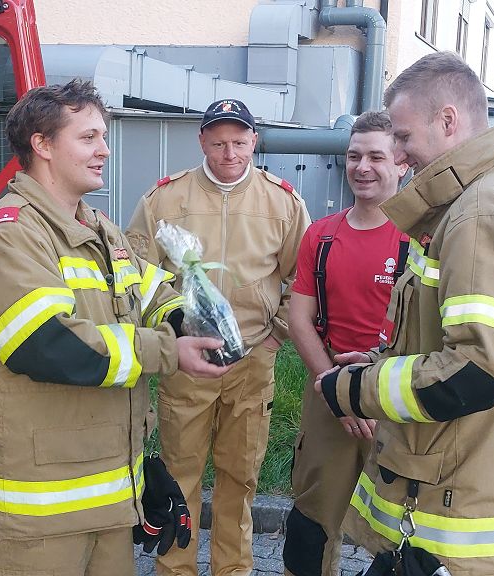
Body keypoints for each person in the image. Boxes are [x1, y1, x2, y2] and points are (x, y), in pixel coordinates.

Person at [0, 80, 231, 576]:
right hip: (42, 509)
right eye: (88, 138)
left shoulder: (99, 228)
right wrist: (171, 351)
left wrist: (190, 317)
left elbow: (149, 292)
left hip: (109, 495)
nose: (105, 149)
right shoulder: (10, 233)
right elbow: (48, 345)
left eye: (103, 136)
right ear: (42, 145)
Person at [314, 52, 494, 576]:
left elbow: (480, 369)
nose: (399, 154)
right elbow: (457, 336)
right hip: (468, 488)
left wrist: (358, 387)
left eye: (403, 136)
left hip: (453, 515)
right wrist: (388, 361)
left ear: (448, 120)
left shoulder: (482, 214)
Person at [127, 98, 311, 576]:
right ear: (202, 141)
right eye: (218, 143)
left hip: (252, 360)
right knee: (179, 474)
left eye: (239, 142)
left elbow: (304, 278)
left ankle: (233, 569)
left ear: (254, 141)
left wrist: (276, 337)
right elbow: (137, 275)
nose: (229, 153)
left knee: (240, 477)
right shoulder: (165, 199)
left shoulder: (283, 202)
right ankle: (176, 568)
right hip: (186, 362)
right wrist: (172, 333)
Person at [282, 110, 408, 576]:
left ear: (402, 163)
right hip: (328, 392)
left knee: (400, 536)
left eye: (377, 156)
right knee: (310, 529)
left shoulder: (423, 238)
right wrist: (337, 391)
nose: (362, 167)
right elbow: (299, 318)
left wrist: (370, 394)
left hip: (398, 399)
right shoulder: (321, 235)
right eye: (354, 156)